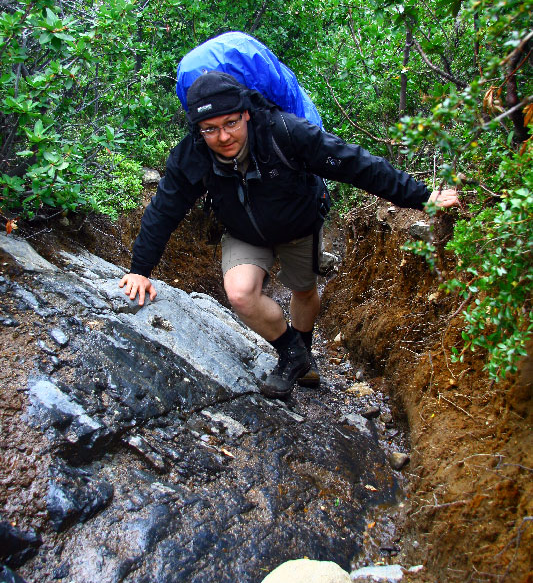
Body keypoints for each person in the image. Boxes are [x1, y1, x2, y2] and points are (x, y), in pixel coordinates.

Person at [119, 71, 458, 399]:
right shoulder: (192, 156)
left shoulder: (283, 132)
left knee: (304, 290)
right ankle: (291, 354)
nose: (223, 137)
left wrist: (421, 196)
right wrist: (140, 269)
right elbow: (164, 209)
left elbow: (355, 164)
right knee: (240, 295)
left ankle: (305, 353)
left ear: (247, 114)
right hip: (244, 234)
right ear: (197, 130)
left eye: (231, 123)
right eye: (210, 129)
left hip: (299, 226)